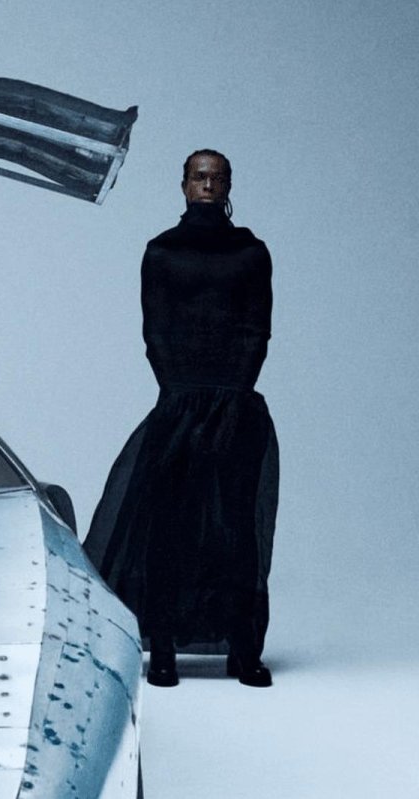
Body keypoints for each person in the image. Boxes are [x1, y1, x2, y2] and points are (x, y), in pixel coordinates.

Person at [82, 150, 278, 688]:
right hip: (179, 402)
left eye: (217, 177)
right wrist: (181, 394)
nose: (208, 184)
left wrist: (232, 392)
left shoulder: (251, 253)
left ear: (229, 185)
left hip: (235, 403)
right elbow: (156, 330)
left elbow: (257, 328)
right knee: (166, 527)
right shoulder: (162, 252)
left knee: (236, 528)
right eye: (200, 176)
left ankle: (242, 649)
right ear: (185, 184)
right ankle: (163, 647)